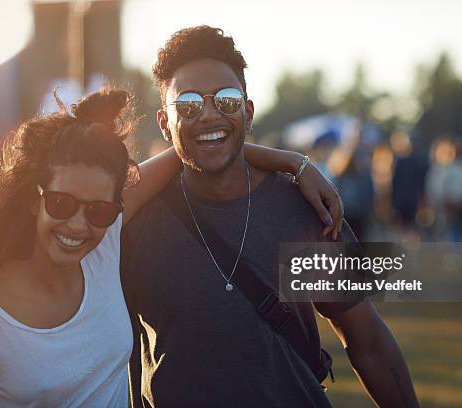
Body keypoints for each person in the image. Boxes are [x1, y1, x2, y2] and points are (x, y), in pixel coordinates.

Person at [0, 86, 344, 407]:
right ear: (35, 200)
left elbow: (193, 149)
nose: (79, 224)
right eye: (61, 203)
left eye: (99, 210)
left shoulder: (103, 250)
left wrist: (293, 162)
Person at [121, 26, 419, 407]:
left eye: (226, 101)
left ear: (248, 113)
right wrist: (290, 159)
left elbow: (368, 342)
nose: (209, 115)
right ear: (165, 123)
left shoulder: (300, 207)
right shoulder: (137, 218)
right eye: (189, 105)